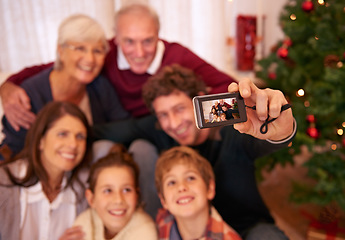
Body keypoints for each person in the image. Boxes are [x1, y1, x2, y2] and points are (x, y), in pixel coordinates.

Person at [0, 3, 235, 132]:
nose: (139, 53)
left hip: (167, 128)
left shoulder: (177, 55)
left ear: (158, 36)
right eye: (129, 42)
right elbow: (56, 66)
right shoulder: (106, 53)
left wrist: (194, 115)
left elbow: (232, 93)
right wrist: (7, 86)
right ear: (116, 38)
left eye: (148, 41)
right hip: (124, 127)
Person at [134, 64, 294, 239]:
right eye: (163, 115)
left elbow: (266, 141)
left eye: (179, 109)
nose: (173, 123)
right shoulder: (159, 131)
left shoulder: (234, 129)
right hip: (190, 228)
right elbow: (111, 131)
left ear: (200, 100)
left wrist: (282, 131)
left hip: (246, 227)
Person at [0, 14, 129, 157]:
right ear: (61, 51)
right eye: (80, 48)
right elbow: (13, 150)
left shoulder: (100, 85)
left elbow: (125, 127)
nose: (90, 59)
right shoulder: (30, 93)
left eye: (97, 51)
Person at [0, 101, 93, 240]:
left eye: (80, 136)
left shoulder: (85, 189)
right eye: (62, 134)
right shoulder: (3, 185)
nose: (73, 144)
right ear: (40, 141)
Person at [72, 144, 158, 240]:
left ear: (137, 195)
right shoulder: (86, 221)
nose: (118, 200)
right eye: (108, 191)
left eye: (126, 190)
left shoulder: (145, 230)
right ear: (91, 199)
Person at [155, 146, 242, 240]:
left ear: (210, 188)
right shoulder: (161, 223)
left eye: (190, 178)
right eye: (172, 182)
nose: (181, 187)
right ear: (163, 200)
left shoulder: (229, 238)